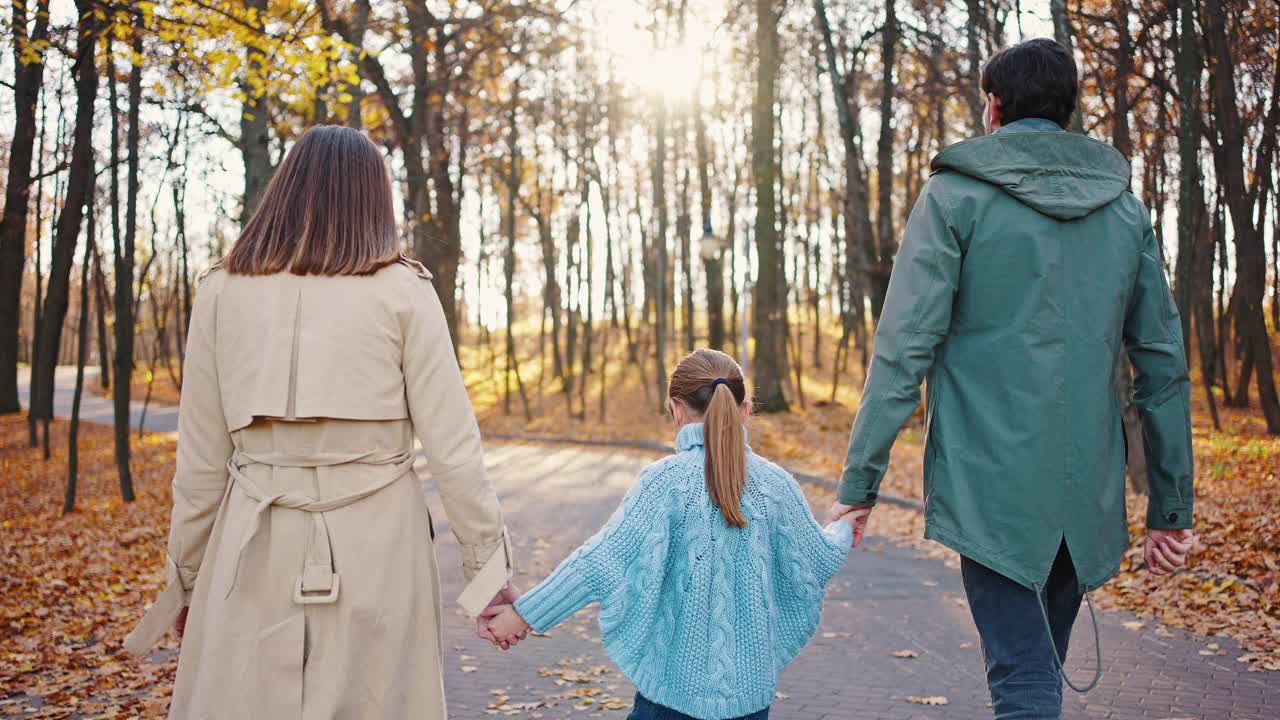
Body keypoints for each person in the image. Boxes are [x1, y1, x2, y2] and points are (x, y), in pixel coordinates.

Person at [827, 38, 1195, 720]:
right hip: (1085, 493)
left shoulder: (954, 196)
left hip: (988, 491)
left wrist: (859, 486)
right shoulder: (1125, 211)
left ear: (993, 108)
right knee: (1036, 672)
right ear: (1068, 110)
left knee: (1024, 681)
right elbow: (1163, 367)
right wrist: (1170, 508)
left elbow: (903, 349)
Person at [123, 125, 519, 718]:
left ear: (285, 191)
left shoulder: (221, 291)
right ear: (373, 199)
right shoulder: (404, 292)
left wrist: (184, 579)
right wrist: (490, 576)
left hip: (251, 550)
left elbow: (200, 466)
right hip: (379, 552)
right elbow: (455, 452)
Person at [481, 349, 865, 720]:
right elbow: (819, 558)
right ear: (745, 411)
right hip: (751, 701)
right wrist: (845, 525)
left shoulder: (665, 483)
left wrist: (523, 615)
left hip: (670, 700)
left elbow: (599, 562)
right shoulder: (776, 486)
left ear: (675, 409)